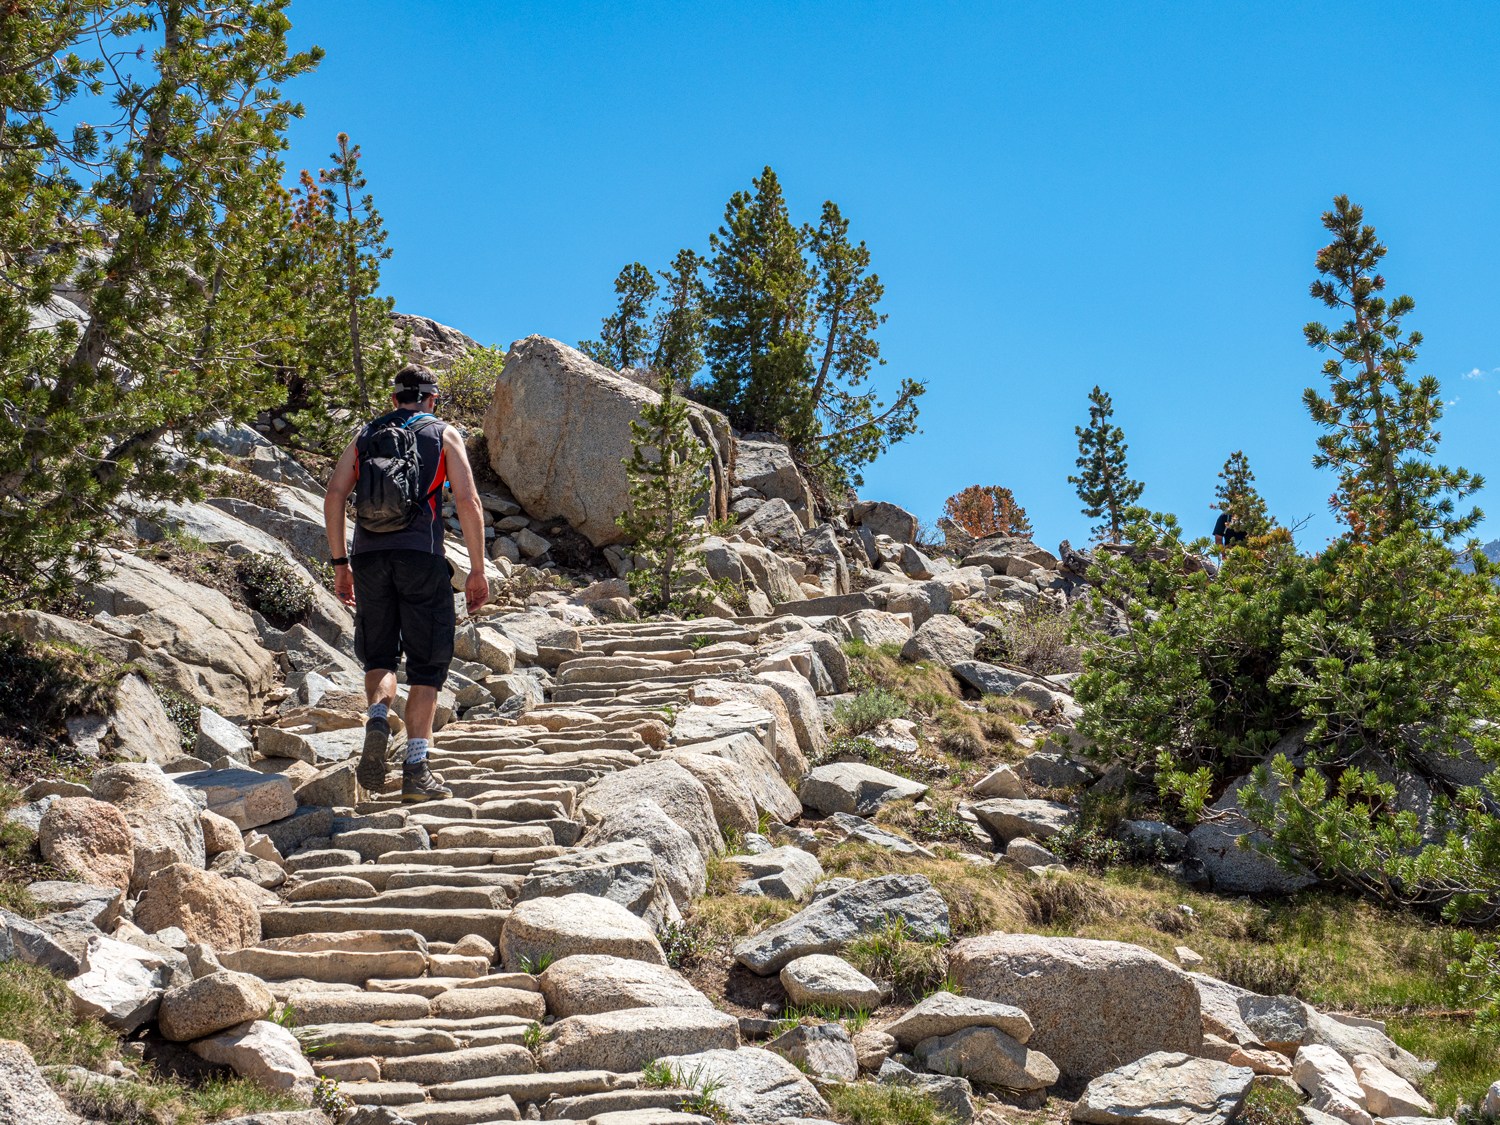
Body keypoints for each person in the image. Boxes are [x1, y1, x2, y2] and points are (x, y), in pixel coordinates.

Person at [322, 364, 490, 802]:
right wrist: (477, 568)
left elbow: (335, 494)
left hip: (369, 559)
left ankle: (378, 714)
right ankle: (416, 768)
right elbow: (468, 501)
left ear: (394, 399)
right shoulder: (443, 434)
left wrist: (341, 563)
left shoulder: (365, 435)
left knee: (380, 655)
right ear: (432, 399)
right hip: (422, 558)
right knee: (427, 666)